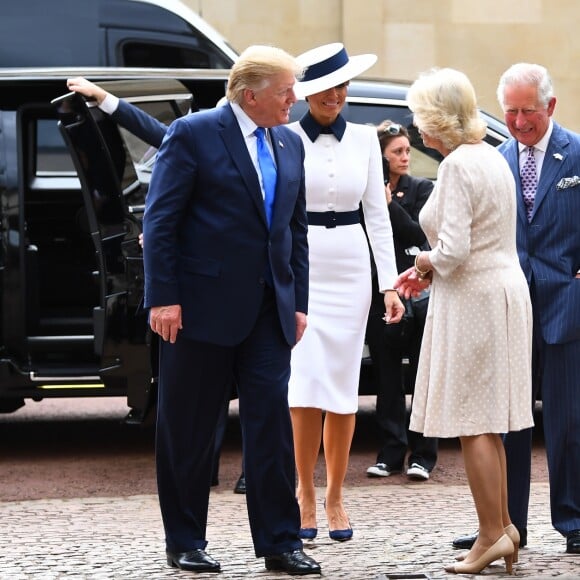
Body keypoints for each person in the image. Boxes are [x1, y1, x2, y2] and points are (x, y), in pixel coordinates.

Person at [141, 45, 321, 575]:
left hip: (271, 312)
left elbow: (295, 230)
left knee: (271, 429)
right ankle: (185, 540)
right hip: (198, 309)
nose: (295, 98)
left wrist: (298, 302)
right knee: (190, 429)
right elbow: (161, 222)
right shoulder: (194, 133)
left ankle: (281, 542)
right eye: (287, 90)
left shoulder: (290, 140)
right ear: (252, 95)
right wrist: (163, 297)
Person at [66, 76, 246, 496]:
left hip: (257, 281)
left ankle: (252, 472)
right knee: (213, 385)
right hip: (209, 284)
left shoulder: (277, 144)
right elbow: (158, 132)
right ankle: (207, 469)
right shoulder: (203, 140)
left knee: (262, 390)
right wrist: (106, 100)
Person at [395, 67, 534, 574]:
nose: (415, 129)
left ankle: (491, 535)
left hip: (475, 297)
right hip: (500, 289)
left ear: (436, 120)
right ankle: (504, 529)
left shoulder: (457, 166)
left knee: (475, 423)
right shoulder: (492, 157)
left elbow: (451, 250)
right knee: (491, 423)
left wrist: (420, 264)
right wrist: (430, 268)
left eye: (419, 118)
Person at [454, 63, 580, 556]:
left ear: (549, 106)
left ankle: (573, 520)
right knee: (506, 420)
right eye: (510, 111)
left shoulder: (577, 154)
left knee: (568, 421)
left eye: (529, 110)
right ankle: (506, 525)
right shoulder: (494, 158)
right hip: (506, 306)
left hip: (566, 304)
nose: (520, 120)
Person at [286, 43, 404, 542]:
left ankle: (335, 494)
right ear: (306, 93)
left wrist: (389, 284)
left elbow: (377, 217)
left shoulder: (362, 139)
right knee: (302, 385)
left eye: (341, 86)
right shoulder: (285, 137)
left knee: (341, 386)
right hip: (303, 265)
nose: (335, 95)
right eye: (324, 88)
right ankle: (304, 492)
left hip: (352, 266)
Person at [365, 120, 437, 481]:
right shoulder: (366, 190)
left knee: (423, 373)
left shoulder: (422, 188)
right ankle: (391, 452)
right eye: (397, 152)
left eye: (408, 150)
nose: (405, 157)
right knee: (387, 375)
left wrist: (389, 206)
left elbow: (418, 235)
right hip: (383, 292)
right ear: (381, 157)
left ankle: (424, 454)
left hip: (419, 293)